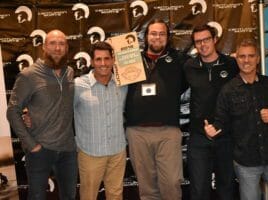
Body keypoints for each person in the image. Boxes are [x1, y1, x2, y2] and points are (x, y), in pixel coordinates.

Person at [204, 38, 268, 200]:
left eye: (251, 56)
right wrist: (213, 130)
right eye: (242, 56)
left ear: (258, 59)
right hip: (246, 163)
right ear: (236, 59)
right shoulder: (228, 90)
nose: (246, 60)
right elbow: (221, 122)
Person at [6, 30, 77, 200]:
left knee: (69, 196)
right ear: (44, 47)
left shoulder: (70, 72)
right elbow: (12, 111)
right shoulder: (29, 75)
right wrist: (32, 145)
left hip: (68, 149)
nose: (57, 48)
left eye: (61, 44)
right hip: (40, 151)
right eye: (53, 43)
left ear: (67, 48)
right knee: (36, 197)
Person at [125, 18, 187, 200]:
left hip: (168, 131)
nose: (157, 37)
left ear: (168, 37)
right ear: (146, 36)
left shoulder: (179, 60)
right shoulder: (130, 60)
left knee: (171, 183)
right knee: (147, 187)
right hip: (137, 132)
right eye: (153, 33)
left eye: (162, 34)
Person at [183, 24, 239, 200]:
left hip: (227, 137)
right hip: (199, 138)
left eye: (206, 39)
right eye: (198, 41)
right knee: (199, 190)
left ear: (215, 40)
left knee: (226, 188)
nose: (203, 44)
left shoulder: (231, 65)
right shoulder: (189, 67)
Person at [74, 41, 127, 200]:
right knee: (88, 196)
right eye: (98, 59)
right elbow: (61, 113)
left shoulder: (123, 84)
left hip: (117, 152)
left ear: (113, 60)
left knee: (116, 195)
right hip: (90, 154)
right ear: (91, 62)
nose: (103, 63)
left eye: (106, 58)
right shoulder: (78, 85)